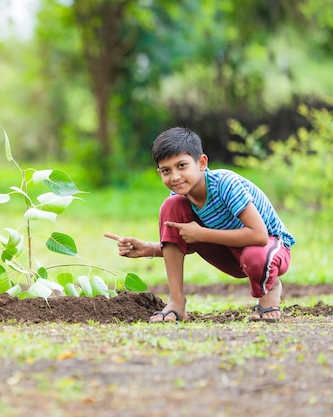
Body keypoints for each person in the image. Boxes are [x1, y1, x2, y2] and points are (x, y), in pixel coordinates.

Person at [104, 127, 294, 323]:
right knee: (172, 205)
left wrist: (202, 234)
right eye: (166, 171)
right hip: (231, 251)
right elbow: (188, 240)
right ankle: (177, 303)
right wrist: (149, 248)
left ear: (202, 162)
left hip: (269, 249)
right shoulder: (180, 198)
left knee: (255, 256)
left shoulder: (226, 184)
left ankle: (270, 292)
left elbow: (259, 236)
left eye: (182, 166)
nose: (175, 176)